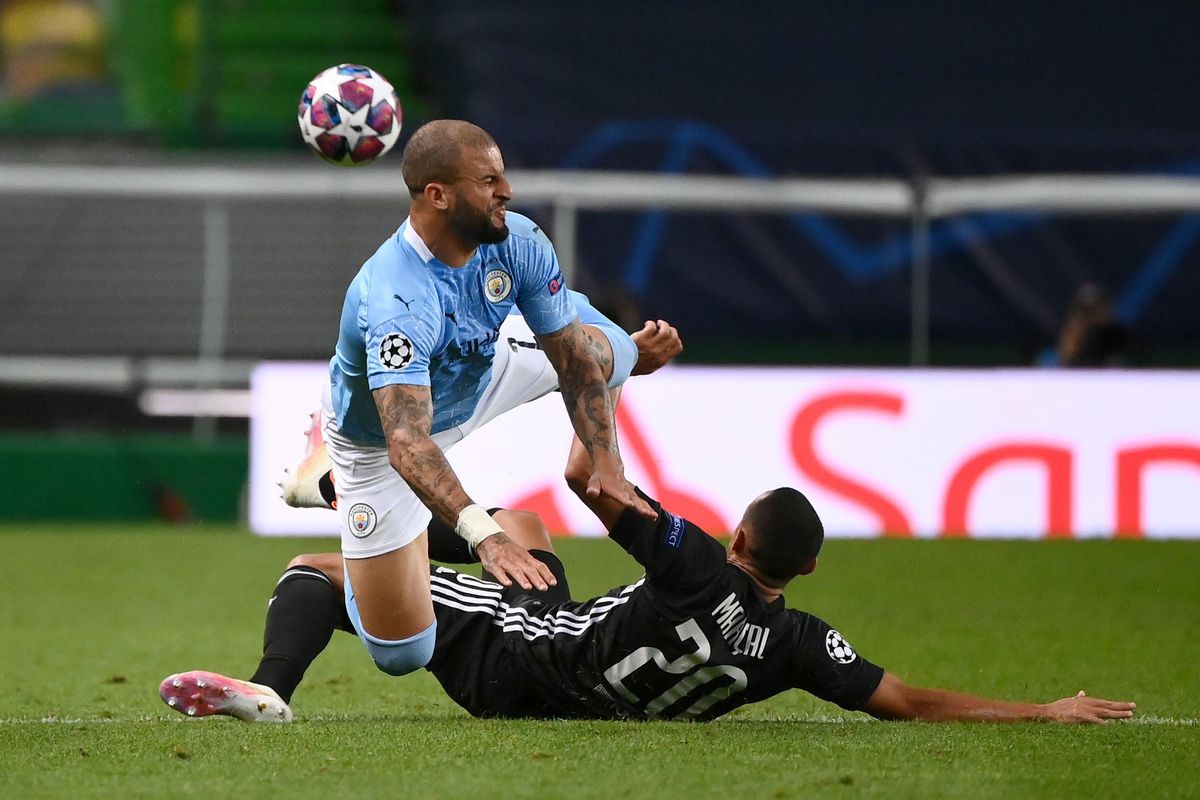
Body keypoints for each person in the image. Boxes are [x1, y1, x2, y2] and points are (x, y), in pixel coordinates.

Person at [161, 465, 1134, 725]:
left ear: (740, 536)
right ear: (807, 569)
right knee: (526, 533)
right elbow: (911, 699)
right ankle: (344, 489)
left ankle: (271, 688)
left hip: (524, 662)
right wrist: (1042, 706)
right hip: (581, 655)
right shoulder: (798, 642)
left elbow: (592, 471)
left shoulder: (699, 563)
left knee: (319, 573)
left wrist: (605, 370)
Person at [310, 119, 656, 680]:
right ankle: (330, 488)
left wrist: (609, 466)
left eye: (503, 176)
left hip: (482, 372)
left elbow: (572, 361)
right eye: (488, 179)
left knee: (612, 350)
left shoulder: (517, 238)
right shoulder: (397, 297)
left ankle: (562, 309)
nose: (508, 191)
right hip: (382, 436)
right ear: (438, 196)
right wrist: (485, 537)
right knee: (402, 653)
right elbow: (407, 443)